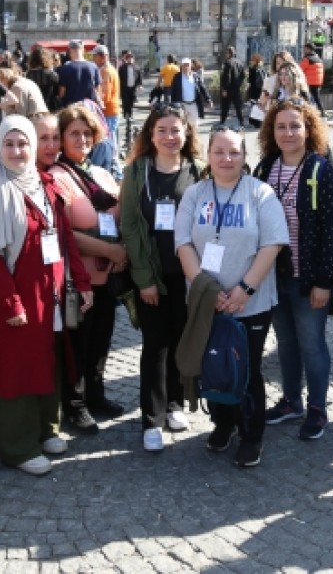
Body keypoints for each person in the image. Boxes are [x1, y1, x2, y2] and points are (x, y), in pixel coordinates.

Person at [0, 116, 92, 475]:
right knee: (18, 368)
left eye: (22, 143)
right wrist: (9, 301)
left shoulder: (46, 184)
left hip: (51, 291)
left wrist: (82, 282)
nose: (16, 151)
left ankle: (47, 428)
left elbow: (65, 238)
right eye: (9, 144)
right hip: (18, 295)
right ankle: (18, 446)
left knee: (48, 359)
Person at [176, 126, 289, 467]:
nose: (227, 158)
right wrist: (205, 290)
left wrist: (245, 290)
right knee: (214, 364)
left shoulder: (260, 193)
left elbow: (273, 244)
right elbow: (183, 243)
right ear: (207, 155)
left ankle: (251, 433)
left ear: (245, 155)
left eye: (235, 152)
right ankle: (222, 423)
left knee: (248, 368)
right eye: (219, 152)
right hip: (205, 302)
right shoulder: (195, 194)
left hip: (252, 302)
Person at [255, 98, 333, 440]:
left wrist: (324, 281)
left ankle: (318, 407)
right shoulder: (264, 169)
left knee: (312, 344)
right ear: (271, 131)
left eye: (295, 126)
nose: (288, 132)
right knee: (287, 344)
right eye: (281, 126)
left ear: (309, 130)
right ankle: (292, 401)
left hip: (308, 281)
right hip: (274, 279)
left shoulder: (322, 171)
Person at [119, 103, 203, 451]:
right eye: (162, 131)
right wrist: (144, 279)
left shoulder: (197, 170)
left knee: (182, 339)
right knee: (155, 345)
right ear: (150, 135)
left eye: (176, 130)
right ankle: (151, 418)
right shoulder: (137, 171)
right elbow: (131, 227)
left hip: (188, 274)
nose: (170, 137)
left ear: (186, 133)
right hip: (153, 272)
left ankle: (174, 404)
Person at [47, 104, 126, 433]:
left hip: (107, 276)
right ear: (61, 138)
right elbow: (62, 233)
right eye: (74, 133)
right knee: (77, 343)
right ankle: (74, 404)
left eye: (87, 133)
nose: (82, 138)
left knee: (101, 340)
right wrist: (109, 249)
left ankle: (96, 394)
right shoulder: (57, 176)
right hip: (78, 279)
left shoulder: (102, 173)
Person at [56, 40, 101, 107]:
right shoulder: (93, 66)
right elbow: (97, 91)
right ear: (83, 50)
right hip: (89, 108)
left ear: (70, 51)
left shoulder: (64, 68)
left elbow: (62, 93)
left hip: (71, 109)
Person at [168, 58, 211, 127]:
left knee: (194, 125)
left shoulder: (195, 76)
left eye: (187, 65)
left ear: (191, 66)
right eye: (184, 65)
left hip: (193, 104)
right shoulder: (177, 77)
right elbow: (173, 91)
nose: (186, 67)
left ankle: (193, 137)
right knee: (182, 125)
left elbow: (202, 88)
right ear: (181, 66)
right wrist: (173, 104)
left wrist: (208, 99)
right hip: (182, 105)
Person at [91, 45, 121, 141]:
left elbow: (105, 95)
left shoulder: (106, 72)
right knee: (111, 139)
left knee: (107, 140)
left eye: (95, 56)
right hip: (111, 110)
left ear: (102, 57)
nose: (93, 58)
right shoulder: (109, 69)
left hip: (108, 111)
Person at [26, 47, 61, 111]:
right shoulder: (51, 74)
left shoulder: (28, 74)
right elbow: (58, 91)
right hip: (50, 106)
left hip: (34, 106)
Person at [219, 46, 246, 125]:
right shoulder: (239, 62)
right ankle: (241, 121)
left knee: (225, 106)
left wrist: (224, 89)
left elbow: (227, 77)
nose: (225, 54)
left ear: (230, 54)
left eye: (226, 53)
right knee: (238, 106)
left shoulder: (227, 63)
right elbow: (243, 75)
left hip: (228, 89)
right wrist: (238, 84)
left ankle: (222, 121)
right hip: (236, 89)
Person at [118, 50, 142, 120]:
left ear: (133, 59)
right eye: (129, 58)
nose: (130, 60)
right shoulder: (122, 68)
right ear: (126, 59)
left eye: (131, 58)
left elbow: (139, 77)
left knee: (131, 101)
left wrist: (139, 85)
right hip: (124, 88)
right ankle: (126, 114)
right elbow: (119, 78)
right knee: (125, 101)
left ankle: (130, 114)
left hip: (133, 88)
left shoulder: (136, 68)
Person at [300, 45, 325, 111]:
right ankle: (322, 111)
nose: (304, 50)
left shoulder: (307, 59)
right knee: (317, 98)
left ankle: (307, 111)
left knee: (304, 97)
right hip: (317, 82)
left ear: (309, 49)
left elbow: (300, 70)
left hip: (309, 81)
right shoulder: (318, 59)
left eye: (305, 49)